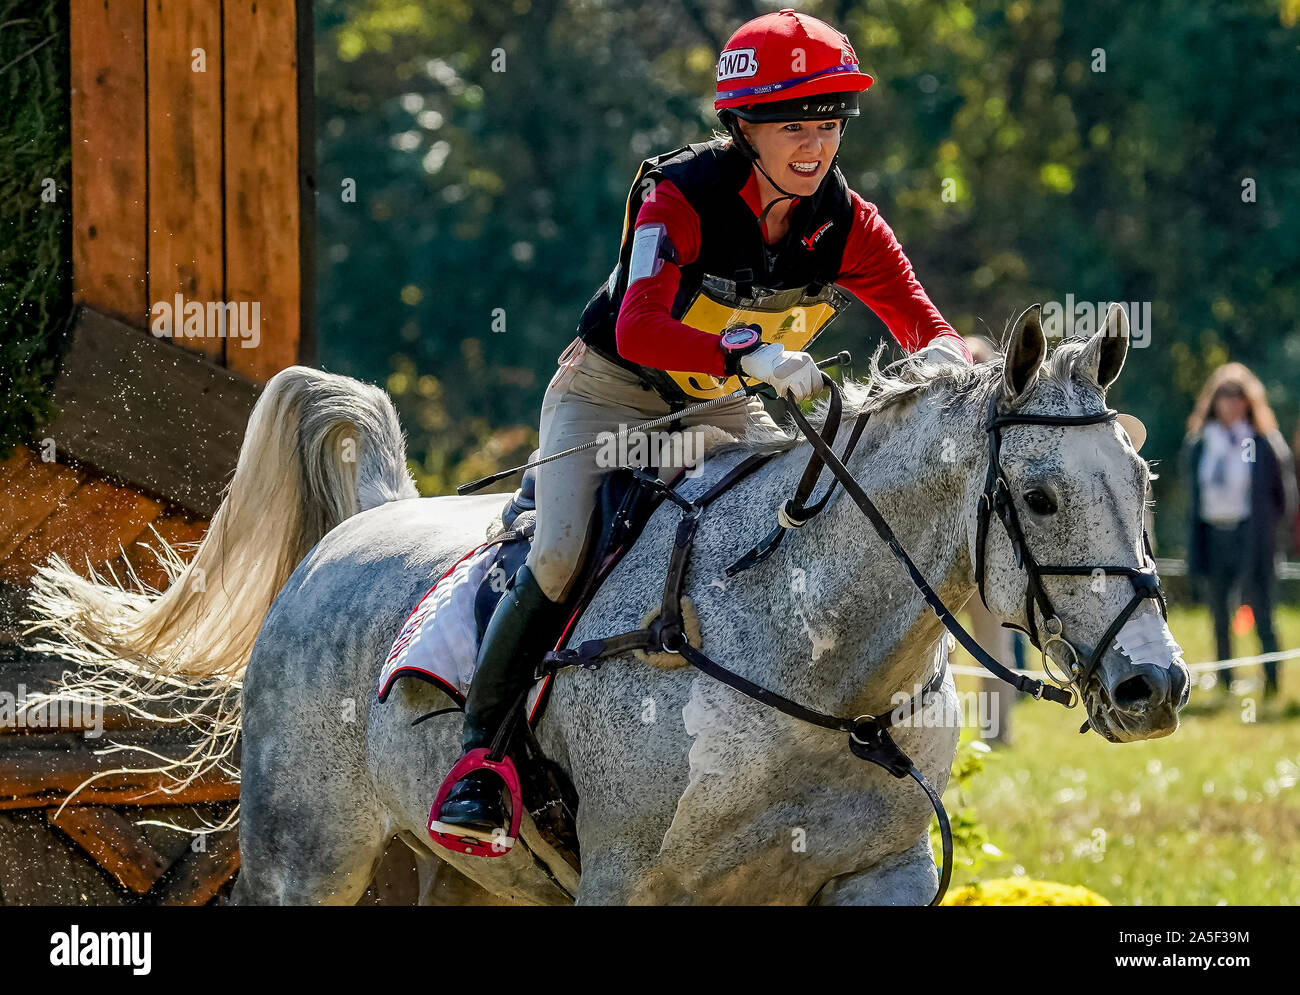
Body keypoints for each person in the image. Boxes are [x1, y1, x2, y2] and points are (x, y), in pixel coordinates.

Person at [434, 8, 973, 839]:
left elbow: (924, 326)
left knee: (794, 525)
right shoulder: (678, 196)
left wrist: (952, 366)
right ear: (742, 125)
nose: (814, 146)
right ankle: (481, 760)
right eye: (792, 124)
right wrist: (748, 353)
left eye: (827, 124)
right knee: (561, 549)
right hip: (612, 393)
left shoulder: (851, 223)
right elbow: (637, 325)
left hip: (717, 407)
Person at [1184, 363, 1296, 697]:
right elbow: (1194, 492)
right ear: (1213, 400)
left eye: (1237, 396)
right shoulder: (1202, 442)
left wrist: (1272, 536)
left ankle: (1272, 682)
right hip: (1213, 534)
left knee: (1261, 611)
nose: (1230, 403)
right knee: (1219, 613)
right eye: (1223, 396)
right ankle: (1226, 680)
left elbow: (1282, 496)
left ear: (1249, 401)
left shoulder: (1262, 442)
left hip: (1251, 537)